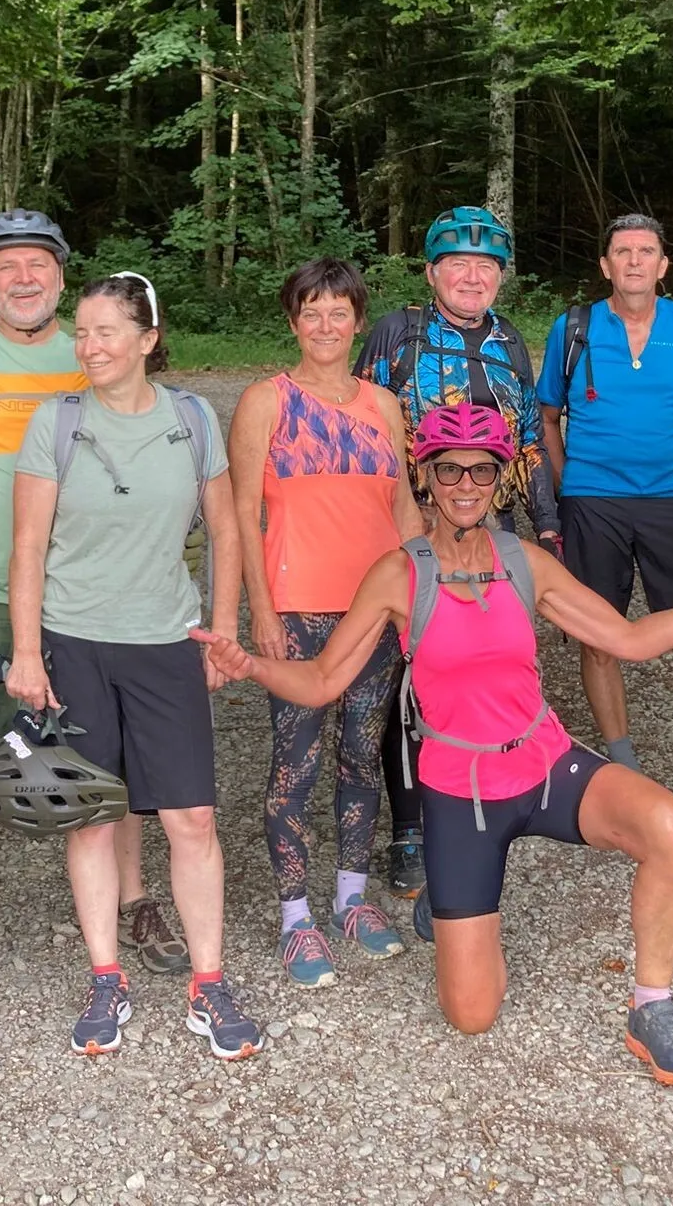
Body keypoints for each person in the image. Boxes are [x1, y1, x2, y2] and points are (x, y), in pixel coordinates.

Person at [196, 403, 673, 1085]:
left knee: (672, 830)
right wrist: (252, 664)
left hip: (544, 762)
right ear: (426, 477)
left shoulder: (523, 563)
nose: (465, 484)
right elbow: (324, 680)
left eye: (481, 469)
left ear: (500, 478)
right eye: (450, 469)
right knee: (472, 1013)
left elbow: (625, 639)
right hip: (460, 793)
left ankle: (651, 1006)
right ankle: (452, 907)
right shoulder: (397, 575)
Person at [0, 211, 187, 1015]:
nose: (22, 279)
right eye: (6, 267)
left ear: (62, 278)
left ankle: (134, 903)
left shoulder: (94, 352)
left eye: (37, 265)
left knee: (112, 767)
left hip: (88, 603)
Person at [5, 272, 266, 1060]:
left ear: (148, 339)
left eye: (107, 332)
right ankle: (106, 976)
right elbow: (26, 548)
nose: (90, 346)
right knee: (88, 815)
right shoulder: (55, 423)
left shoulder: (191, 420)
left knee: (192, 818)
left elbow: (224, 532)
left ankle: (209, 983)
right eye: (81, 333)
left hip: (164, 642)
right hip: (73, 640)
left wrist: (222, 628)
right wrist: (24, 652)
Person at [356, 206, 560, 896]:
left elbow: (528, 436)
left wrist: (548, 526)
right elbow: (364, 428)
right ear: (432, 273)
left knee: (467, 677)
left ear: (500, 279)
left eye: (486, 267)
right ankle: (408, 828)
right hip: (406, 535)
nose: (473, 277)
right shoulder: (397, 333)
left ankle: (481, 802)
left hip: (487, 531)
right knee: (406, 682)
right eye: (459, 265)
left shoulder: (510, 340)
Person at [228, 259, 421, 988]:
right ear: (293, 322)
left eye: (339, 312)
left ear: (358, 322)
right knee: (294, 763)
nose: (326, 325)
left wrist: (417, 597)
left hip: (374, 610)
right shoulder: (265, 401)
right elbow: (244, 515)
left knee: (361, 756)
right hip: (299, 608)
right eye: (312, 312)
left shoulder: (383, 405)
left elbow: (402, 509)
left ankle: (350, 898)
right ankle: (294, 917)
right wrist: (261, 613)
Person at [538, 213, 673, 845]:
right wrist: (567, 481)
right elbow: (548, 416)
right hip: (592, 502)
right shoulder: (572, 328)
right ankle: (623, 771)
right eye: (622, 252)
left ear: (664, 266)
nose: (634, 261)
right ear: (605, 265)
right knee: (598, 638)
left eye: (647, 252)